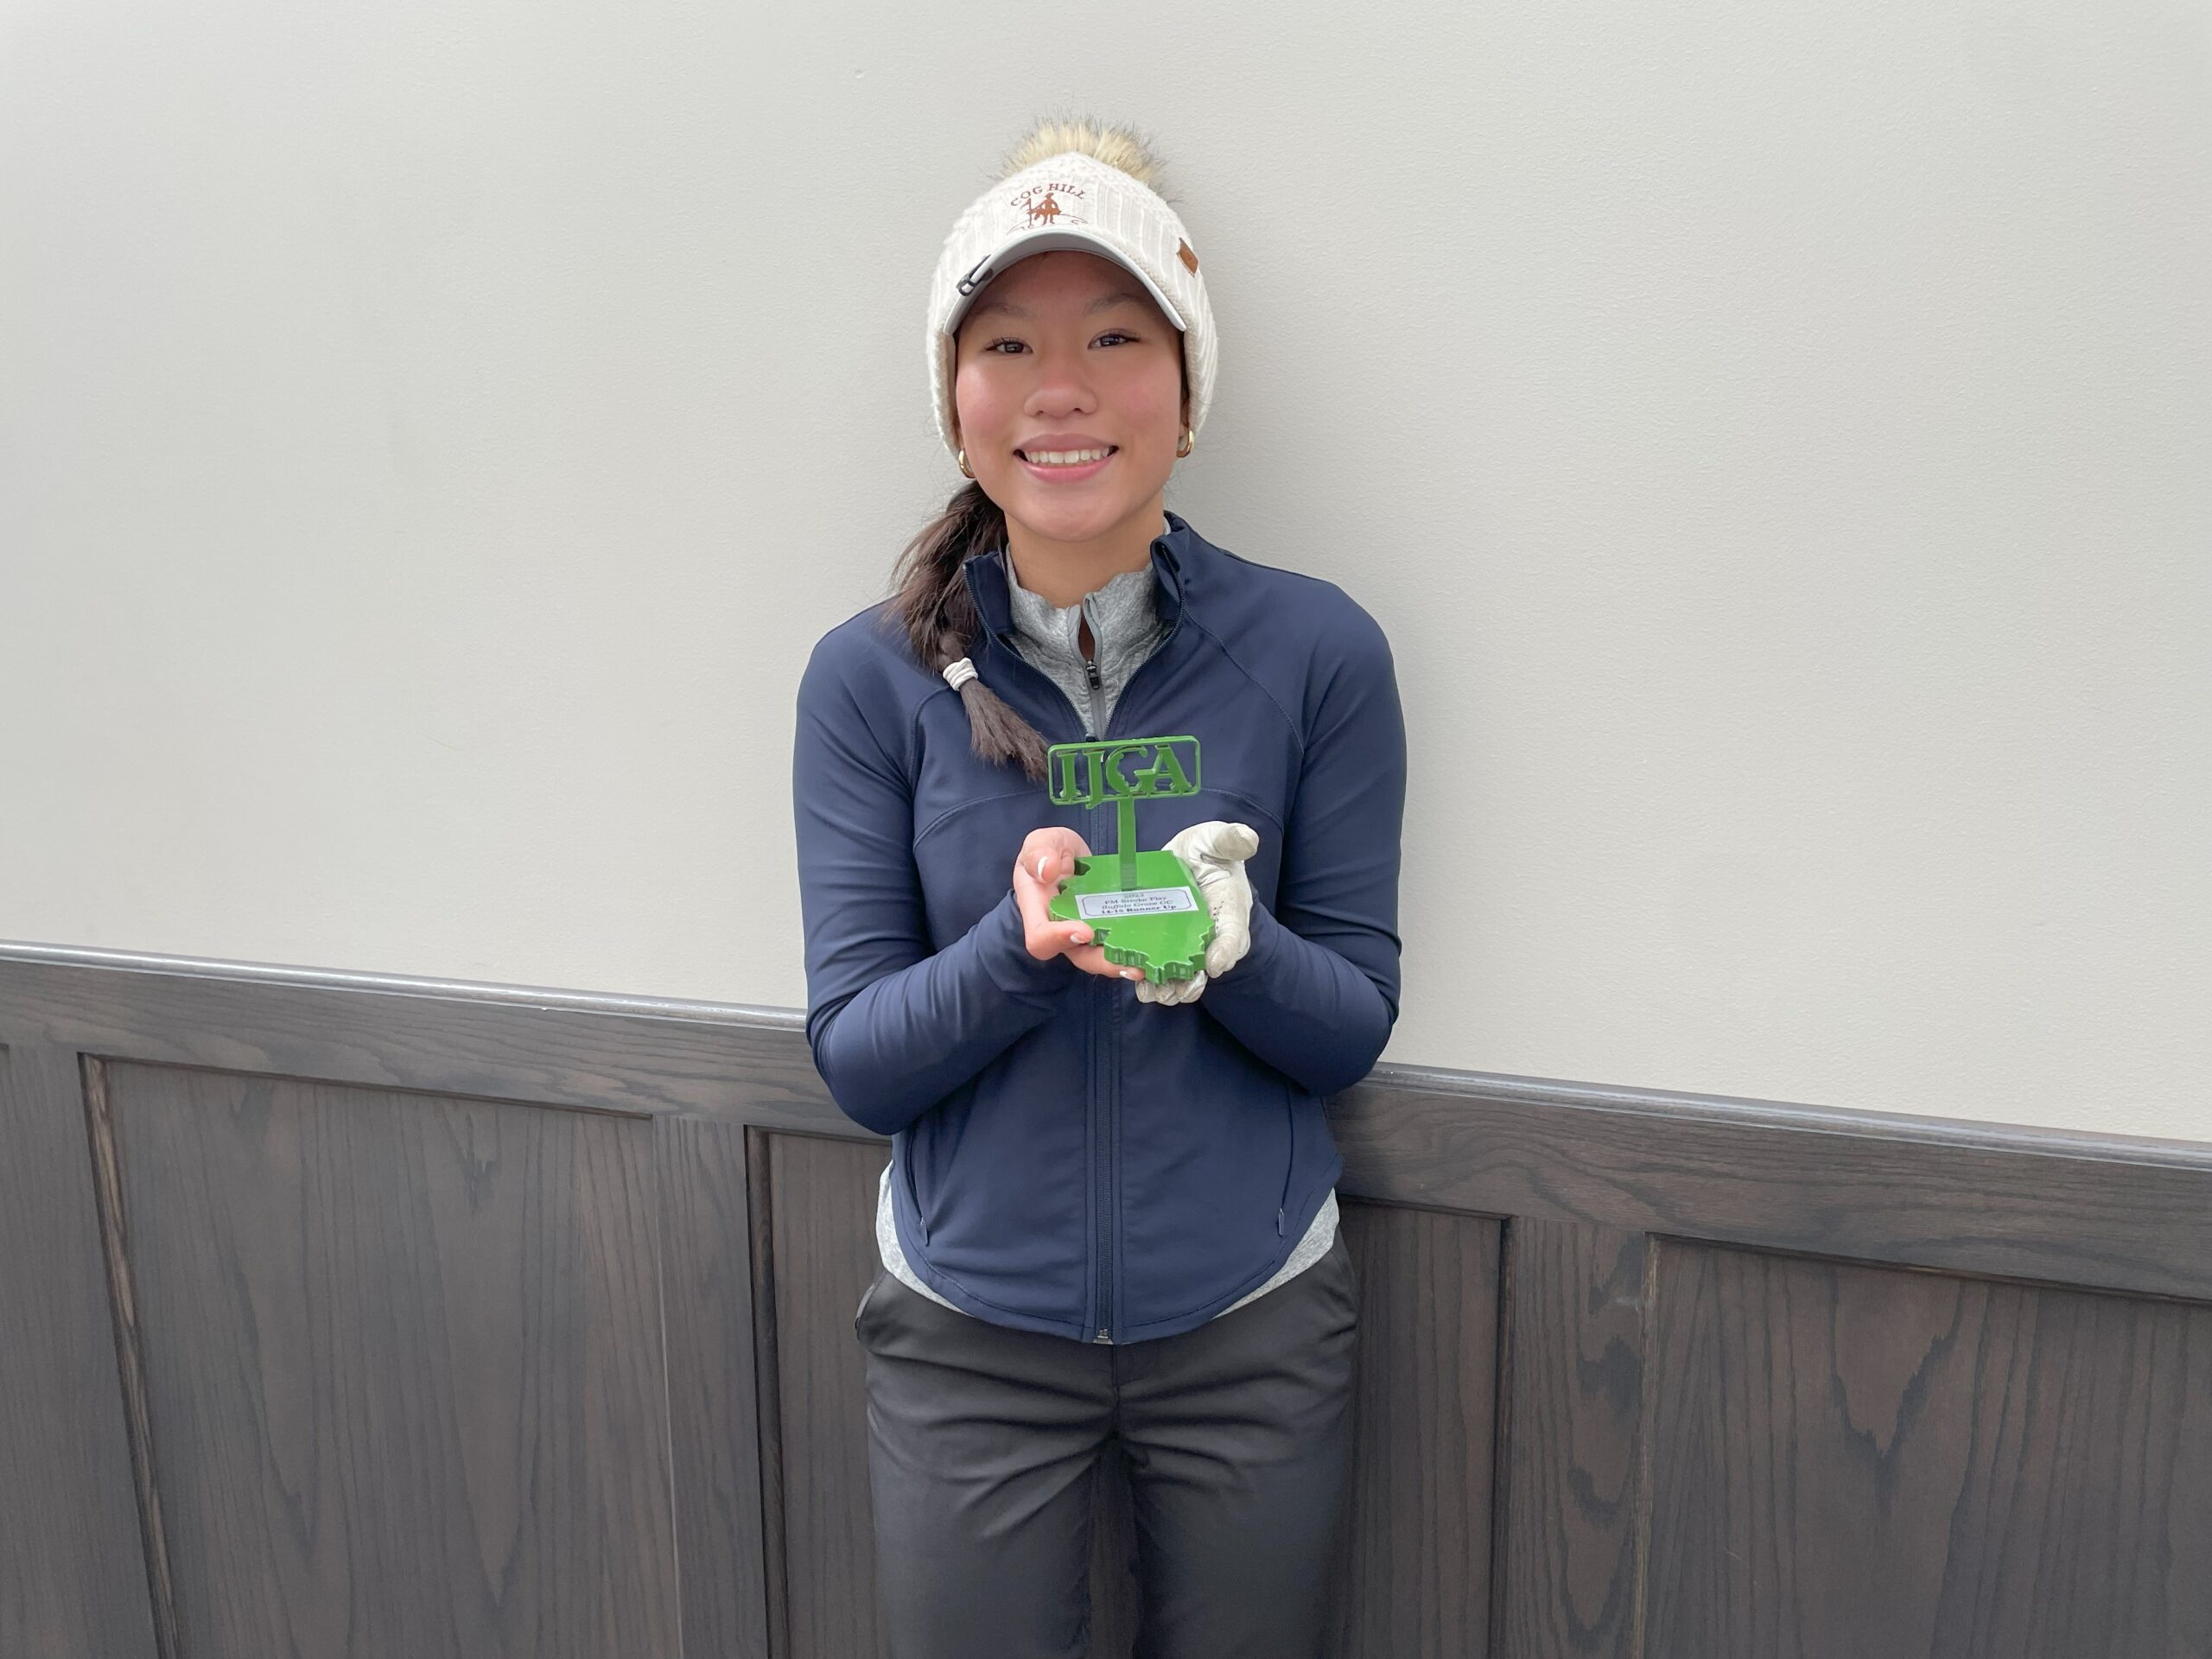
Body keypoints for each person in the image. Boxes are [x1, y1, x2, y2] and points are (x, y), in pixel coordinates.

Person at [791, 115, 1408, 1658]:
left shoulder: (1319, 652)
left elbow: (1350, 1028)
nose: (1058, 388)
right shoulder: (868, 681)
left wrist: (1241, 946)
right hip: (964, 1335)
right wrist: (1016, 948)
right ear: (955, 402)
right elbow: (860, 1060)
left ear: (1188, 392)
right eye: (1006, 342)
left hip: (1258, 1318)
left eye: (1117, 335)